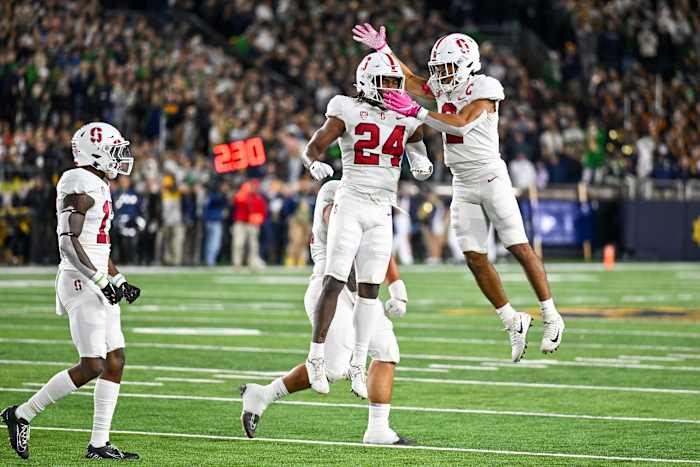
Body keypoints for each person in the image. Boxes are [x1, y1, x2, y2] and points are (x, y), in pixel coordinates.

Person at [353, 24, 565, 361]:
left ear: (467, 63)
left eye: (448, 68)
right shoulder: (443, 84)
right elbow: (411, 81)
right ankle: (512, 320)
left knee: (518, 246)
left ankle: (552, 315)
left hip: (490, 175)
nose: (442, 76)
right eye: (439, 69)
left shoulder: (485, 86)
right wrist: (384, 50)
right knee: (474, 256)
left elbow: (462, 122)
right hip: (462, 180)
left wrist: (416, 112)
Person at [2, 122, 141, 460]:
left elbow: (98, 245)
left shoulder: (99, 183)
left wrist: (118, 280)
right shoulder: (78, 181)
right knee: (92, 364)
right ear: (96, 152)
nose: (121, 158)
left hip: (96, 277)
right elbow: (68, 243)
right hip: (80, 280)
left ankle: (98, 443)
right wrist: (99, 282)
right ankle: (22, 414)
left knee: (115, 360)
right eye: (115, 150)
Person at [300, 52, 432, 398]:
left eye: (395, 82)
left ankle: (359, 363)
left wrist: (421, 162)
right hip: (352, 201)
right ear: (366, 81)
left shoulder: (404, 115)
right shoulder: (346, 107)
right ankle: (315, 355)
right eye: (385, 81)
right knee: (336, 277)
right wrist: (313, 164)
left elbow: (419, 144)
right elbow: (313, 147)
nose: (391, 88)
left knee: (370, 292)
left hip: (382, 209)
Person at [240, 181, 410, 445]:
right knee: (333, 368)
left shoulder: (373, 187)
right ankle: (263, 395)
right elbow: (350, 231)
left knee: (387, 351)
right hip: (330, 289)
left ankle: (378, 429)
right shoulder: (335, 191)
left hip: (361, 291)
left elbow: (379, 246)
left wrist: (397, 286)